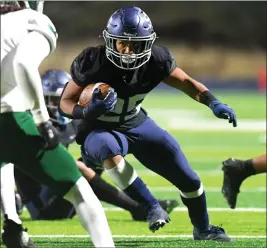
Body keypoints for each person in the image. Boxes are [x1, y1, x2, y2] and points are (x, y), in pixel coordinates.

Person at [59, 6, 237, 241]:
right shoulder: (93, 61)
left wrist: (213, 102)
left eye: (136, 44)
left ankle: (203, 229)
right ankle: (151, 206)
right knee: (107, 148)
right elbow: (65, 101)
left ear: (149, 43)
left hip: (136, 122)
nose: (129, 51)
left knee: (189, 179)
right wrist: (86, 111)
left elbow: (187, 83)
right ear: (110, 40)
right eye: (122, 43)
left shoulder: (156, 60)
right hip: (98, 128)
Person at [0, 1, 114, 247]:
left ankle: (11, 220)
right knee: (81, 192)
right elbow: (22, 64)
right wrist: (42, 120)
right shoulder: (34, 22)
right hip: (8, 118)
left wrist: (11, 216)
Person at [14, 69, 179, 221]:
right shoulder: (30, 124)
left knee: (99, 150)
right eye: (53, 100)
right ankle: (136, 207)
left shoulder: (68, 121)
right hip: (42, 206)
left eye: (61, 99)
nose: (58, 105)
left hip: (58, 191)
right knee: (76, 166)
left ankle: (141, 204)